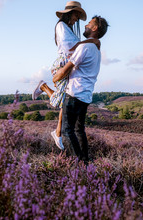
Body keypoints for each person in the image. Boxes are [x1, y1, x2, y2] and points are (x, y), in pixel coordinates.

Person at [32, 1, 100, 150]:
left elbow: (76, 48)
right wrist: (91, 41)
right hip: (63, 64)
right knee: (61, 101)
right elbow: (70, 47)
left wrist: (89, 43)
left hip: (68, 64)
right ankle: (43, 86)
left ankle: (57, 133)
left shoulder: (67, 28)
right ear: (69, 13)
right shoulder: (61, 26)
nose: (77, 19)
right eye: (76, 15)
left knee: (64, 100)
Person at [53, 15, 109, 165]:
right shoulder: (96, 50)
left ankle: (79, 164)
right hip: (85, 96)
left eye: (89, 24)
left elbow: (66, 69)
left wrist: (55, 78)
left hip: (74, 93)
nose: (85, 26)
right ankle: (86, 159)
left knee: (67, 130)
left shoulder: (85, 47)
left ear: (95, 28)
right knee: (79, 130)